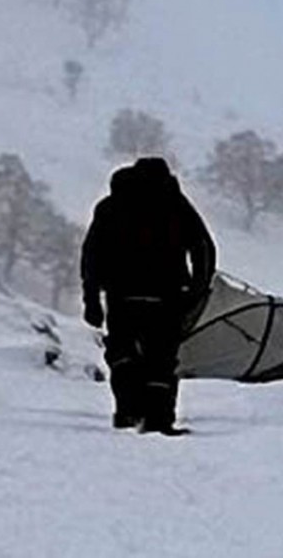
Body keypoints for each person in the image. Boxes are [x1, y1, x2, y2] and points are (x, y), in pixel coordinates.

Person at [81, 157, 216, 434]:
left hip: (122, 295)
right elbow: (203, 247)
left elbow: (91, 257)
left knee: (122, 354)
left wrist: (91, 299)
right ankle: (159, 419)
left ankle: (127, 411)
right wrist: (197, 289)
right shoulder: (176, 204)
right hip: (167, 295)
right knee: (162, 359)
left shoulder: (110, 206)